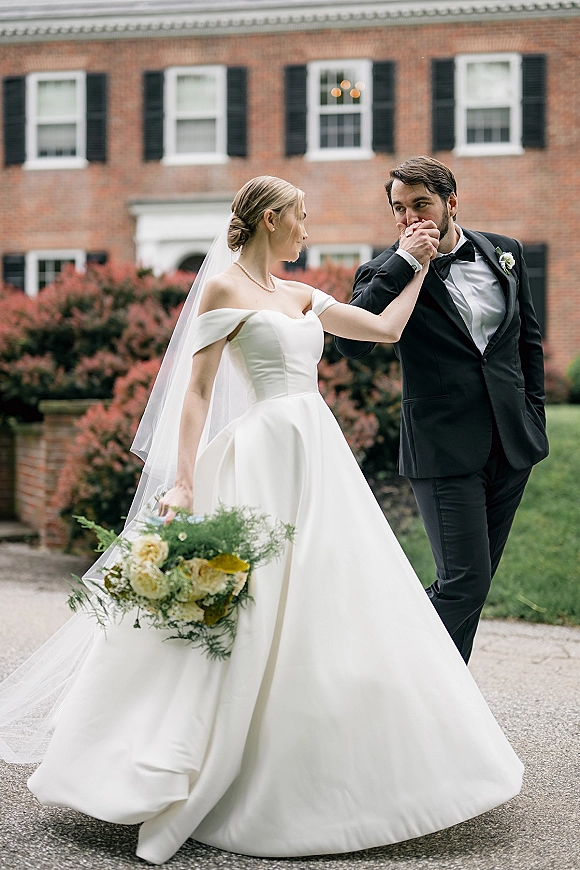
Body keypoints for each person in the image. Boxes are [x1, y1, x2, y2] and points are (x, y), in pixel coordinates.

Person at [0, 176, 524, 866]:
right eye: (301, 218)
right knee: (248, 605)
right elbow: (196, 393)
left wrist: (417, 262)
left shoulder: (302, 296)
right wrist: (184, 478)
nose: (307, 231)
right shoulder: (224, 292)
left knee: (332, 597)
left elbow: (385, 328)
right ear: (272, 219)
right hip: (261, 458)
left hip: (317, 456)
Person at [336, 157, 549, 664]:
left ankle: (447, 713)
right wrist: (406, 262)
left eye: (421, 205)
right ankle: (379, 668)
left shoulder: (505, 253)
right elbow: (351, 342)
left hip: (512, 443)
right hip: (443, 448)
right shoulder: (383, 270)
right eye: (399, 209)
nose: (410, 218)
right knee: (463, 585)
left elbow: (528, 343)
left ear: (451, 202)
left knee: (473, 590)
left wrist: (534, 414)